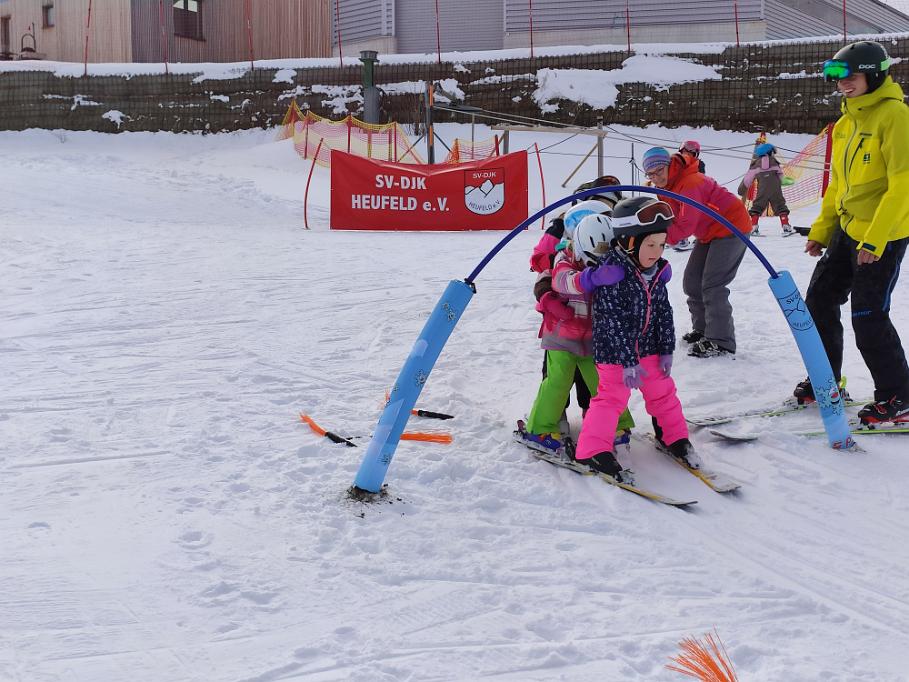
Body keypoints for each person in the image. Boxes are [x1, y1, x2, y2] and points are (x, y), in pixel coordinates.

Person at [795, 40, 909, 425]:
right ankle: (826, 380)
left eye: (851, 77)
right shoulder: (845, 123)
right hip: (846, 229)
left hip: (884, 231)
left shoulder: (895, 116)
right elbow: (837, 186)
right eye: (837, 79)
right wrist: (822, 230)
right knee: (819, 301)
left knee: (868, 313)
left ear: (874, 74)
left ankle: (899, 397)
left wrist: (876, 239)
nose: (842, 85)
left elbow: (903, 184)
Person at [573, 197, 698, 482]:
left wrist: (666, 349)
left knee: (663, 391)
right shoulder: (613, 276)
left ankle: (674, 437)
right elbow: (612, 323)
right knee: (611, 398)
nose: (657, 252)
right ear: (629, 242)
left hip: (649, 348)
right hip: (616, 353)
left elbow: (663, 312)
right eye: (650, 245)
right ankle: (592, 449)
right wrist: (629, 362)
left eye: (661, 244)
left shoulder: (655, 273)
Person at [520, 214, 635, 451]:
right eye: (592, 262)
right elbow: (563, 281)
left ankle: (615, 423)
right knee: (557, 382)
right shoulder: (564, 259)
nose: (598, 267)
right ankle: (540, 428)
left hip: (594, 339)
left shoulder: (612, 264)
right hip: (562, 336)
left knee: (603, 382)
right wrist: (590, 278)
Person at [529, 176, 624, 427]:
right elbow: (542, 263)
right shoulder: (564, 228)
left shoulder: (610, 235)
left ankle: (591, 410)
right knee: (558, 374)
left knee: (592, 375)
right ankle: (553, 413)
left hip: (594, 327)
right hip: (562, 321)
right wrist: (548, 296)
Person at [642, 146, 753, 357]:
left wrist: (654, 238)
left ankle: (721, 341)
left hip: (732, 227)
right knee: (692, 282)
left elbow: (683, 227)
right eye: (650, 174)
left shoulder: (690, 184)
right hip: (709, 232)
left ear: (669, 165)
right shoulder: (666, 186)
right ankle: (703, 330)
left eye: (659, 171)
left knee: (713, 285)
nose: (655, 177)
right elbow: (669, 216)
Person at [738, 142, 793, 236]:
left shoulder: (755, 165)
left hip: (762, 189)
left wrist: (741, 190)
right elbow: (780, 176)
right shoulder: (775, 163)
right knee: (780, 205)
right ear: (769, 152)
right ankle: (786, 226)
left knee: (757, 206)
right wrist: (785, 181)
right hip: (775, 189)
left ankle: (754, 226)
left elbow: (748, 179)